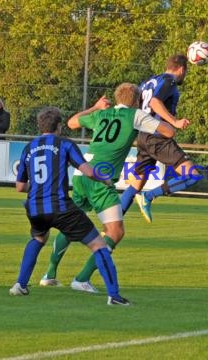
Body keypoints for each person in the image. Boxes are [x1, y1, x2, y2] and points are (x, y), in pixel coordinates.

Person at [39, 83, 174, 293]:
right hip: (100, 180)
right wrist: (153, 121)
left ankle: (49, 274)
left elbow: (72, 122)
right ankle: (82, 279)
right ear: (138, 100)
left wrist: (95, 107)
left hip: (81, 174)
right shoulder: (135, 115)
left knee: (70, 224)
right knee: (115, 231)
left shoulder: (103, 114)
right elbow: (169, 131)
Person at [10, 106, 130, 305]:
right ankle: (115, 296)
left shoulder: (28, 147)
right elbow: (88, 171)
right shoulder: (64, 144)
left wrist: (41, 186)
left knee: (39, 237)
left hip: (34, 208)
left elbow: (20, 186)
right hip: (61, 207)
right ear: (59, 126)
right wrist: (105, 180)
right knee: (99, 245)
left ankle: (20, 285)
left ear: (40, 126)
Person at [119, 54, 197, 222]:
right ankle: (149, 195)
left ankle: (110, 225)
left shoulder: (150, 81)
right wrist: (175, 122)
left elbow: (136, 104)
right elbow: (155, 102)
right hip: (158, 138)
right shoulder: (170, 81)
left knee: (135, 185)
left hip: (144, 137)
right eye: (186, 72)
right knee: (192, 175)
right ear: (182, 69)